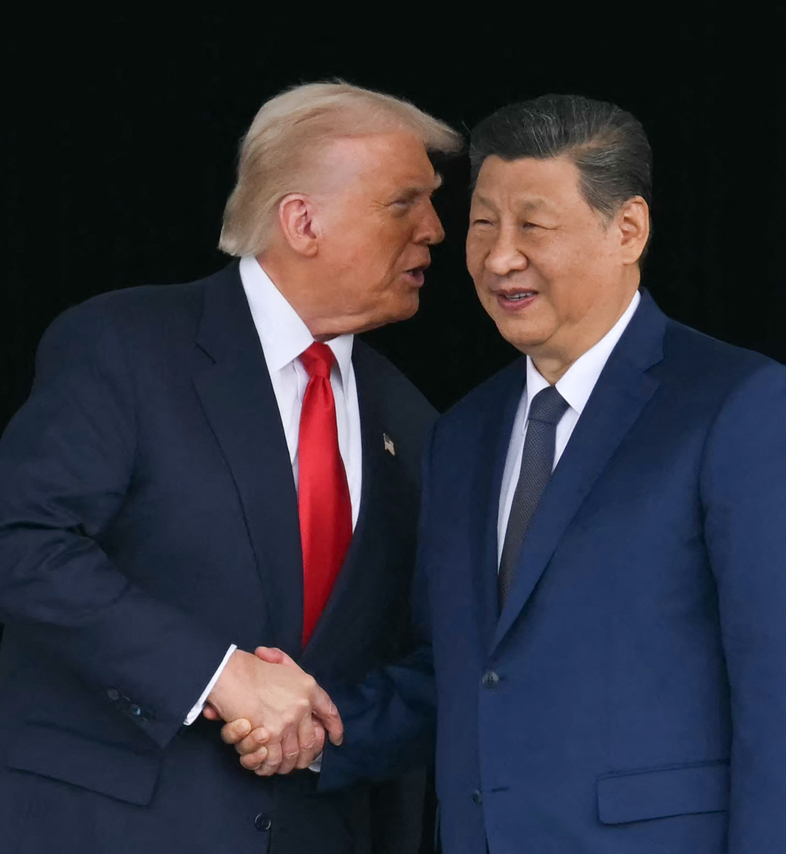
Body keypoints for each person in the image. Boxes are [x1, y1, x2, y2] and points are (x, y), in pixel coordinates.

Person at [233, 93, 786, 854]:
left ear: (628, 230)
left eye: (533, 225)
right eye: (484, 223)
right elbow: (455, 673)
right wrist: (316, 733)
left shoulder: (738, 408)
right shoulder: (459, 434)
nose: (499, 258)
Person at [0, 81, 461, 854]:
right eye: (403, 203)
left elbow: (434, 656)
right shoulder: (127, 344)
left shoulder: (417, 424)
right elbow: (21, 543)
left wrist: (318, 739)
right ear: (302, 221)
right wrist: (217, 675)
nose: (436, 230)